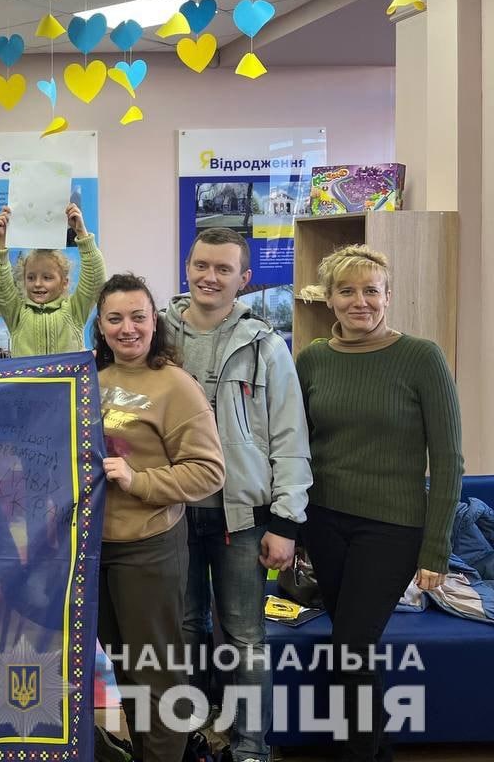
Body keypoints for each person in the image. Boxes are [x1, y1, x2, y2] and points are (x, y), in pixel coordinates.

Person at [296, 244, 462, 762]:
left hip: (392, 528)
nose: (360, 301)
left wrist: (436, 550)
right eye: (346, 291)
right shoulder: (312, 359)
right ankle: (375, 751)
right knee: (354, 649)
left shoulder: (422, 358)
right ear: (329, 299)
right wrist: (292, 525)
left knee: (351, 646)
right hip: (323, 522)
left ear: (388, 296)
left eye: (371, 290)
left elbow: (449, 459)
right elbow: (295, 445)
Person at [163, 228, 311, 762]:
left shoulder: (266, 345)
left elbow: (290, 437)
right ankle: (191, 739)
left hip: (243, 518)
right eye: (201, 265)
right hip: (170, 515)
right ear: (187, 267)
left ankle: (250, 749)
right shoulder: (155, 336)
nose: (210, 277)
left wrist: (286, 522)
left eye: (223, 269)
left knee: (245, 639)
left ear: (244, 279)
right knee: (182, 632)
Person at [93, 273, 225, 762]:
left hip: (148, 547)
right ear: (100, 326)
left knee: (158, 675)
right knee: (126, 672)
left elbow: (209, 472)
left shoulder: (176, 386)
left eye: (138, 317)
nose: (127, 328)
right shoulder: (92, 381)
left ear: (155, 321)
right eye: (115, 319)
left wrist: (138, 480)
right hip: (96, 547)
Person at [0, 202, 105, 356]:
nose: (38, 284)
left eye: (47, 277)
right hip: (27, 374)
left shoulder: (74, 311)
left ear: (64, 283)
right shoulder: (17, 313)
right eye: (31, 277)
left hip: (68, 374)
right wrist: (0, 240)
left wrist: (81, 233)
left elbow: (95, 280)